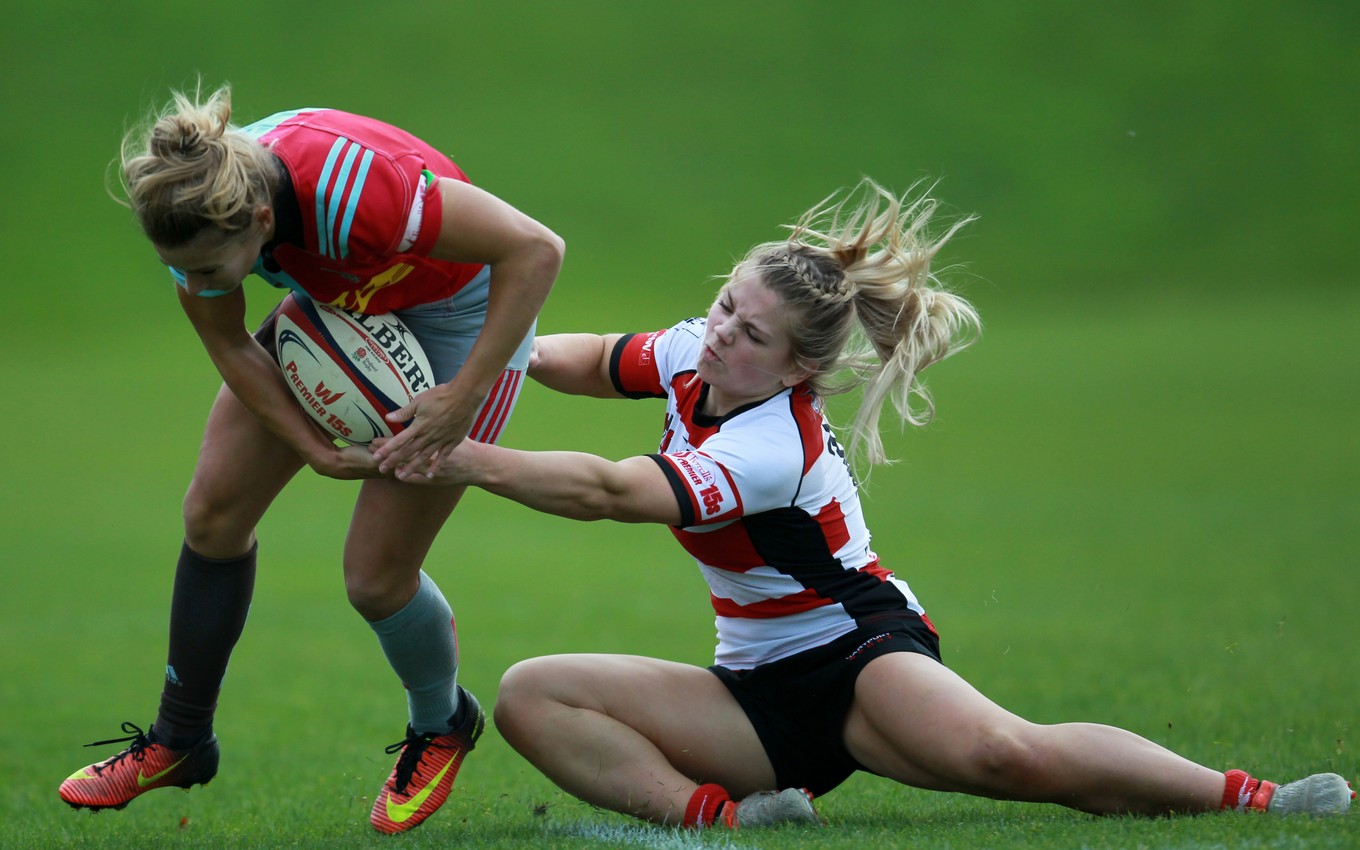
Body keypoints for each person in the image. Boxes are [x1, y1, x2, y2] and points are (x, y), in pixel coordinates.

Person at [381, 178, 1354, 828]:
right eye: (725, 306)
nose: (721, 336)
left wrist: (456, 450)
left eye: (750, 334)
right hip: (751, 687)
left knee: (1005, 756)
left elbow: (612, 491)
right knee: (532, 694)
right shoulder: (693, 352)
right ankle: (726, 819)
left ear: (800, 368)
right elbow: (581, 359)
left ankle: (1260, 801)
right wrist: (470, 349)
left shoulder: (775, 442)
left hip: (856, 652)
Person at [58, 83, 564, 834]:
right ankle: (180, 739)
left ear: (261, 222)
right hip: (350, 303)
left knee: (375, 577)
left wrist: (463, 396)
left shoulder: (356, 188)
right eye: (183, 271)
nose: (195, 286)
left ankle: (443, 721)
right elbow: (228, 340)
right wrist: (312, 450)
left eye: (209, 272)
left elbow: (535, 247)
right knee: (213, 511)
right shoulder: (192, 211)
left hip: (465, 312)